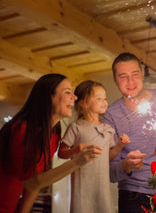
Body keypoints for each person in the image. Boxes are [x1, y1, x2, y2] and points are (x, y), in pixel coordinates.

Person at [0, 73, 102, 213]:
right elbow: (33, 182)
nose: (75, 97)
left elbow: (36, 184)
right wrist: (77, 162)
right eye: (67, 92)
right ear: (48, 97)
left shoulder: (53, 134)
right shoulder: (21, 130)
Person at [105, 52, 156, 213]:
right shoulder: (111, 115)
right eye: (123, 76)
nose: (130, 81)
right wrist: (126, 165)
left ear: (143, 75)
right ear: (115, 81)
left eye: (135, 74)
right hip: (134, 196)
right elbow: (109, 174)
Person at [58, 80, 130, 213]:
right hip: (81, 187)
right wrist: (76, 150)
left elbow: (108, 156)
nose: (104, 102)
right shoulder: (76, 127)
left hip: (102, 186)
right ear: (83, 103)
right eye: (99, 98)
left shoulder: (108, 129)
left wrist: (120, 145)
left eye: (105, 98)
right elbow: (61, 153)